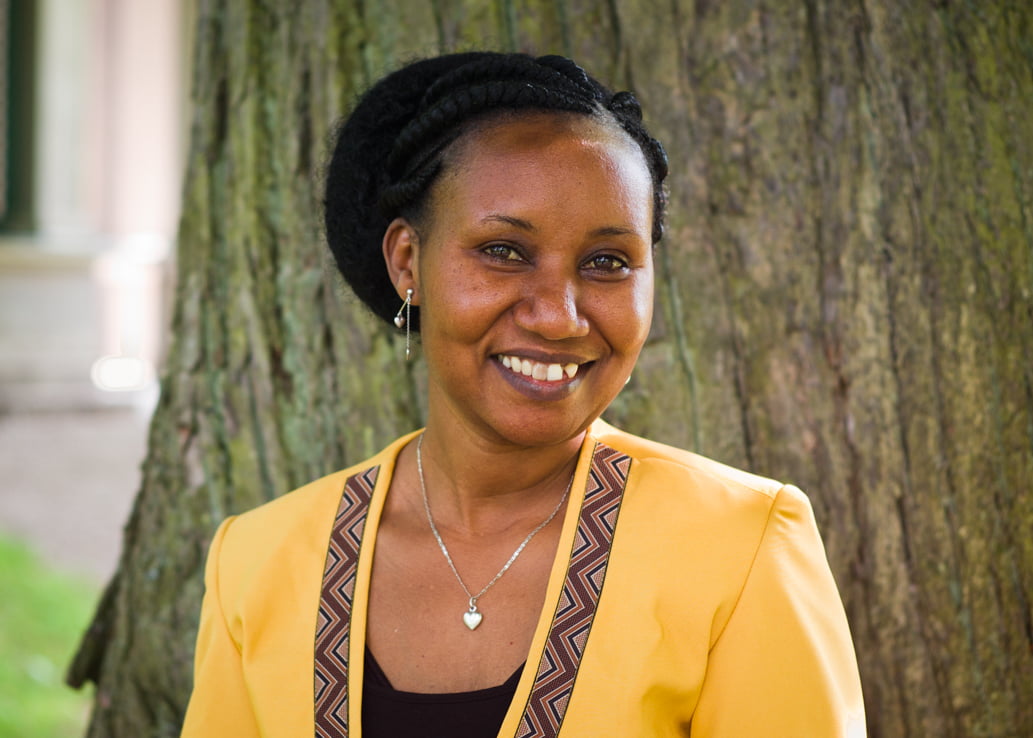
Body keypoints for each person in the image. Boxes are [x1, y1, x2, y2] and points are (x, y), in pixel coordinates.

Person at [181, 51, 865, 737]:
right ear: (407, 262)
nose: (558, 315)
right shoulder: (258, 562)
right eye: (504, 251)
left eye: (607, 263)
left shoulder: (738, 548)